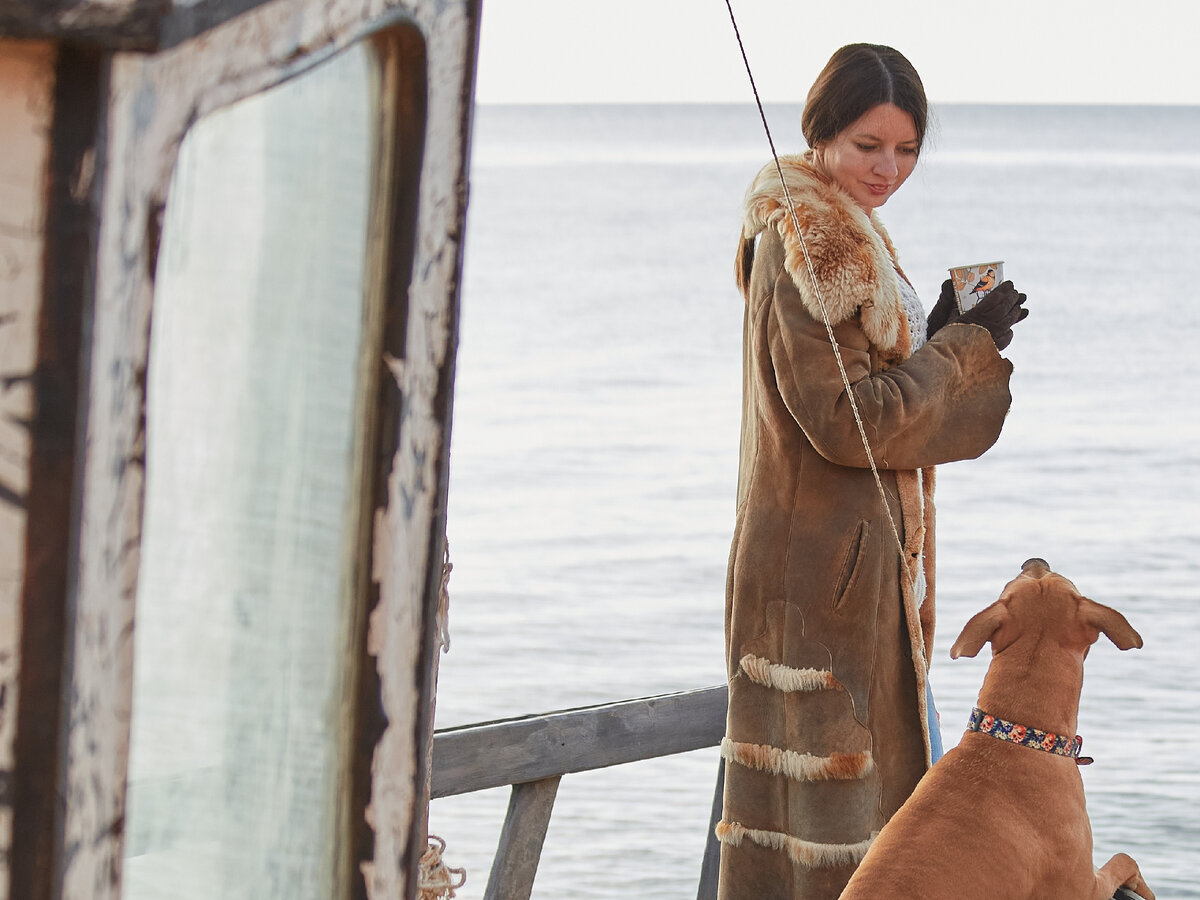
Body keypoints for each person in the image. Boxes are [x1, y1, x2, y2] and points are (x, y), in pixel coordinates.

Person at [716, 43, 1028, 900]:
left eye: (906, 149)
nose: (888, 168)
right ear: (821, 134)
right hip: (819, 598)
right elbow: (849, 422)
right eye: (867, 146)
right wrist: (963, 351)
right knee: (838, 853)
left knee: (882, 835)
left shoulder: (844, 231)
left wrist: (936, 331)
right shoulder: (809, 243)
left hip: (856, 592)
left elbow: (863, 388)